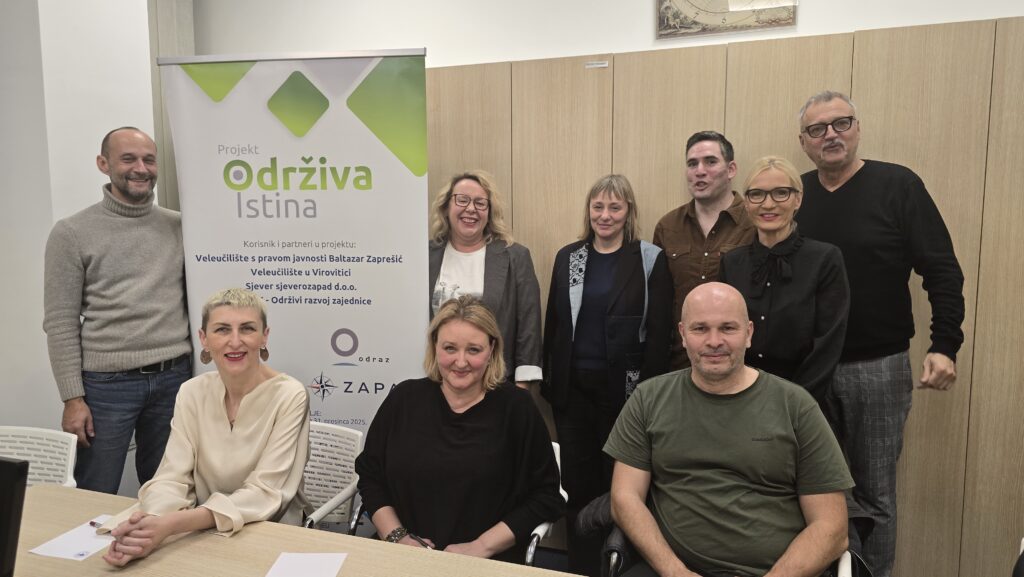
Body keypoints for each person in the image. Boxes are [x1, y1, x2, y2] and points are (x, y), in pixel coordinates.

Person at [795, 90, 965, 577]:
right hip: (808, 371)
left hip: (878, 369)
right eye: (817, 129)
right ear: (803, 142)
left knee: (874, 495)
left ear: (858, 127)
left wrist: (944, 345)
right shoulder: (795, 195)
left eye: (841, 123)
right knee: (812, 491)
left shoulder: (898, 185)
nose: (830, 135)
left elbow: (942, 270)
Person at [605, 282, 853, 577]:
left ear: (749, 333)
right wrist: (675, 572)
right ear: (683, 334)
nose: (714, 341)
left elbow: (831, 527)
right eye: (700, 329)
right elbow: (625, 498)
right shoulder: (648, 399)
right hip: (671, 570)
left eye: (728, 328)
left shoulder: (796, 406)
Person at [99, 288, 311, 566]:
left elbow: (265, 494)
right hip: (202, 531)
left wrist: (172, 525)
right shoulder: (192, 392)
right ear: (204, 339)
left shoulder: (290, 395)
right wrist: (149, 524)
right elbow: (172, 477)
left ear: (264, 336)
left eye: (247, 329)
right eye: (222, 330)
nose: (235, 341)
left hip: (270, 531)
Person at [355, 295, 564, 563]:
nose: (461, 362)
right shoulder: (403, 399)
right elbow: (371, 476)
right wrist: (397, 537)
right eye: (450, 348)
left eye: (474, 350)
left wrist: (481, 547)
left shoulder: (517, 409)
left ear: (492, 349)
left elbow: (546, 496)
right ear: (435, 346)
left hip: (487, 561)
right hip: (403, 556)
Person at [43, 126, 192, 494]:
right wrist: (72, 398)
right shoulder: (71, 232)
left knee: (168, 490)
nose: (141, 168)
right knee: (94, 491)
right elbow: (60, 323)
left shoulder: (180, 227)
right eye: (128, 159)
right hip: (106, 386)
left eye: (148, 160)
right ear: (103, 163)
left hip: (174, 379)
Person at [543, 174, 672, 576]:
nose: (605, 215)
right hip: (573, 393)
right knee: (577, 486)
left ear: (628, 211)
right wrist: (551, 383)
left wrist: (648, 394)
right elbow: (555, 325)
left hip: (625, 395)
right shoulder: (570, 257)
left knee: (619, 487)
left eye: (615, 207)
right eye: (598, 206)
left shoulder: (649, 258)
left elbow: (660, 334)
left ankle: (615, 566)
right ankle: (580, 567)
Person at [720, 155, 849, 404]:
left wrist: (793, 403)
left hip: (804, 400)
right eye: (757, 194)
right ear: (746, 203)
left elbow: (828, 344)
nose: (768, 204)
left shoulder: (825, 259)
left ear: (797, 199)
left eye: (781, 193)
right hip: (740, 398)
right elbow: (725, 335)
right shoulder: (731, 263)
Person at [429, 170, 543, 390]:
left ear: (489, 212)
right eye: (462, 200)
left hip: (495, 384)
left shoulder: (515, 257)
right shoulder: (424, 255)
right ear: (446, 207)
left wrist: (521, 389)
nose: (471, 209)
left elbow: (529, 324)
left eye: (480, 203)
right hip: (436, 382)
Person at [653, 131, 755, 370]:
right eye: (692, 164)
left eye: (710, 161)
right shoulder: (668, 226)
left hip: (739, 363)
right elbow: (659, 303)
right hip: (680, 362)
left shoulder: (754, 223)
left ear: (731, 169)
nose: (700, 171)